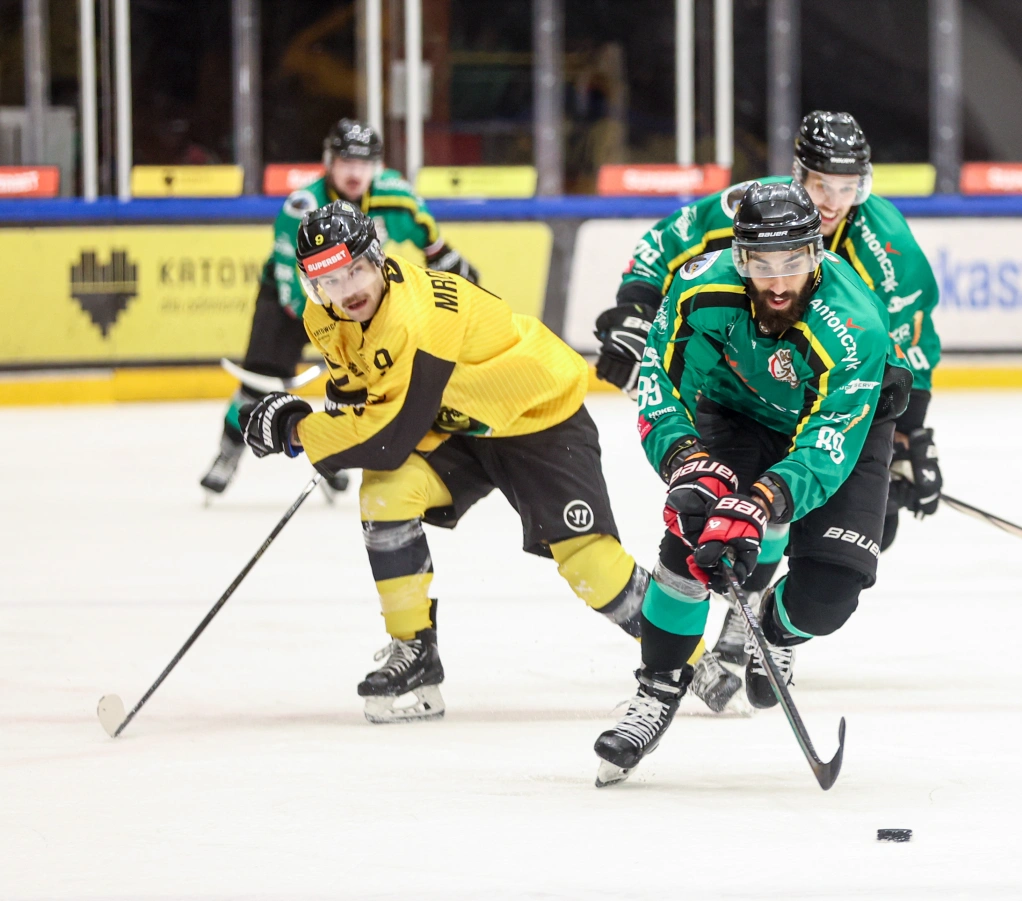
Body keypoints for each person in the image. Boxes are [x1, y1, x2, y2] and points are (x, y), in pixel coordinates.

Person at [240, 201, 736, 723]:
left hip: (538, 418)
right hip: (461, 421)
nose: (347, 290)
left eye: (356, 270)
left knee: (590, 564)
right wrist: (322, 422)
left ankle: (690, 659)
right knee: (386, 493)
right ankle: (414, 651)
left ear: (378, 257)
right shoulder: (323, 315)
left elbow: (386, 439)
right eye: (328, 280)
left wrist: (296, 430)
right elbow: (356, 391)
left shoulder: (415, 319)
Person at [592, 110, 943, 685]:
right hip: (752, 392)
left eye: (848, 188)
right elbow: (664, 243)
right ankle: (735, 615)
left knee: (867, 539)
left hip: (839, 392)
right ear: (797, 174)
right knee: (732, 504)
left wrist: (911, 435)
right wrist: (635, 308)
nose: (832, 203)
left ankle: (770, 619)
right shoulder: (754, 211)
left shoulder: (887, 246)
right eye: (821, 185)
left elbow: (911, 336)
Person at [592, 182, 912, 786]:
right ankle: (657, 689)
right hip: (737, 410)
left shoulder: (855, 324)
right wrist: (687, 462)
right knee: (690, 543)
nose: (778, 281)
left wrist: (762, 500)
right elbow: (661, 387)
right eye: (760, 265)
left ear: (817, 254)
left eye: (793, 261)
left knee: (830, 594)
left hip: (840, 428)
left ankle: (772, 627)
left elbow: (826, 443)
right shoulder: (698, 289)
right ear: (739, 258)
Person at [200, 118, 480, 497]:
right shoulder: (302, 206)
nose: (355, 173)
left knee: (354, 387)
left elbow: (435, 246)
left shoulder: (396, 198)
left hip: (353, 300)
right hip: (291, 302)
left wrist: (454, 280)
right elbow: (288, 277)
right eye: (347, 162)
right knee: (258, 383)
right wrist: (326, 321)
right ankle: (229, 451)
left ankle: (331, 452)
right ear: (328, 162)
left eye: (364, 164)